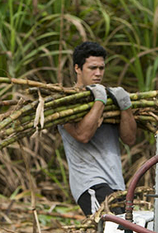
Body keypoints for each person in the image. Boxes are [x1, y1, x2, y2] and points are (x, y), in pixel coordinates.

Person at [58, 41, 137, 216]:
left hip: (116, 183)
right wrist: (99, 100)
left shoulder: (111, 103)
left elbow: (130, 139)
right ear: (77, 68)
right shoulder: (65, 104)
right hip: (89, 183)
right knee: (111, 230)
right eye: (92, 68)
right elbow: (83, 135)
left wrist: (125, 106)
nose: (98, 73)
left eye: (101, 68)